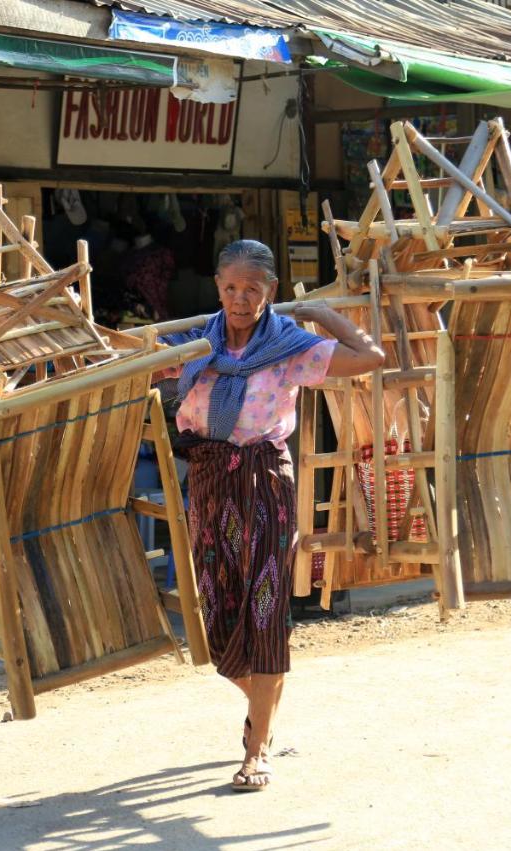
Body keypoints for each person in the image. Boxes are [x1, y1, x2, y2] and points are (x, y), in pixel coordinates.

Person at [161, 240, 384, 791]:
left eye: (252, 290)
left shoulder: (290, 347)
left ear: (271, 294)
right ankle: (267, 702)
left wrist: (322, 314)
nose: (240, 299)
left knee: (263, 615)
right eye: (231, 288)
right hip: (210, 485)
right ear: (217, 286)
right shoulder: (194, 346)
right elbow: (134, 369)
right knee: (218, 619)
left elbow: (371, 358)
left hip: (264, 486)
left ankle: (256, 751)